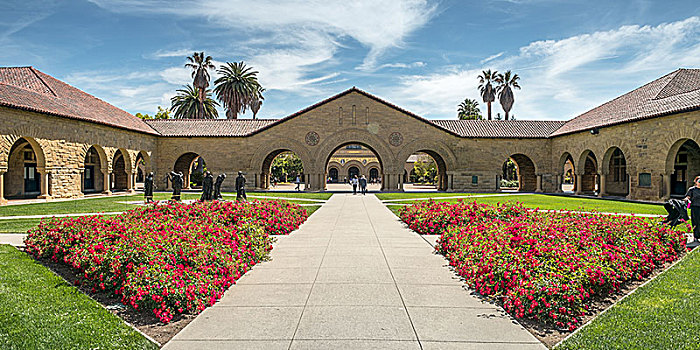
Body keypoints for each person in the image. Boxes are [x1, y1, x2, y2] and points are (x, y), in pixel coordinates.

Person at [685, 175, 700, 247]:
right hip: (695, 208)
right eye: (699, 181)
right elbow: (688, 197)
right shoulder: (692, 190)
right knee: (695, 222)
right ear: (696, 182)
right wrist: (686, 200)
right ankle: (696, 236)